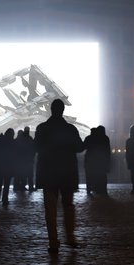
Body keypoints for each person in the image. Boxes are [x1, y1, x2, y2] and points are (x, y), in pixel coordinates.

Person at [34, 99, 84, 253]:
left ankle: (53, 242)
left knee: (50, 209)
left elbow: (36, 147)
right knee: (68, 206)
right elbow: (79, 147)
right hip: (67, 173)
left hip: (48, 174)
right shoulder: (70, 129)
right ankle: (70, 236)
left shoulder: (42, 128)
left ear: (51, 109)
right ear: (63, 110)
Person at [84, 126, 111, 195]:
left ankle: (90, 190)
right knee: (102, 176)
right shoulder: (105, 138)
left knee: (90, 176)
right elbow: (107, 151)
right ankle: (102, 190)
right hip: (102, 161)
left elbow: (84, 147)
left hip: (89, 161)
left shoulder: (90, 138)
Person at [0, 128, 16, 207]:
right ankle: (5, 200)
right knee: (6, 185)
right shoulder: (13, 142)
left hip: (0, 166)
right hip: (9, 167)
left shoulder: (1, 140)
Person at [15, 127, 36, 192]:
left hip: (22, 160)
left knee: (23, 174)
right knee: (30, 175)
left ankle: (22, 186)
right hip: (28, 160)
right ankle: (30, 187)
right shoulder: (30, 138)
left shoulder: (20, 139)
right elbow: (33, 149)